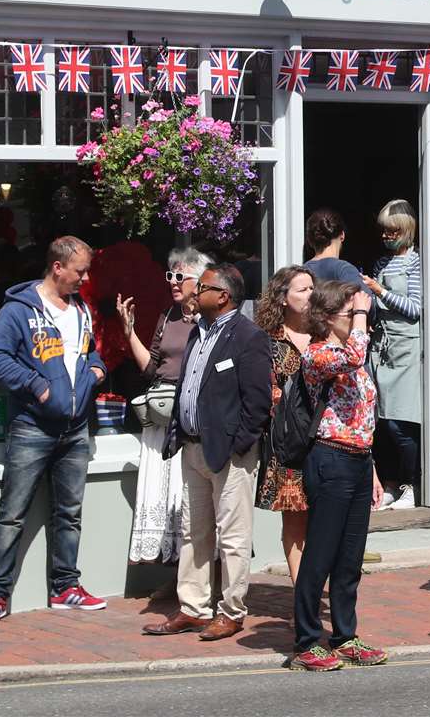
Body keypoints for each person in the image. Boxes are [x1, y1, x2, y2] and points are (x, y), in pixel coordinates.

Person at [0, 236, 108, 626]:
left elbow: (90, 352)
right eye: (79, 271)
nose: (84, 278)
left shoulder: (80, 309)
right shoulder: (18, 311)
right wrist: (37, 385)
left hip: (75, 427)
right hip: (33, 427)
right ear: (58, 267)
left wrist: (96, 371)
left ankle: (65, 587)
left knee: (69, 513)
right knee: (12, 515)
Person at [143, 264, 272, 641]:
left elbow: (258, 403)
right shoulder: (197, 333)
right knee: (192, 532)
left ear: (224, 296)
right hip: (192, 448)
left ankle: (231, 611)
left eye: (202, 286)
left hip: (229, 455)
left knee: (232, 537)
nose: (195, 291)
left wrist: (239, 446)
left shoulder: (248, 337)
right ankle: (193, 608)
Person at [289, 281, 389, 672]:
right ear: (328, 318)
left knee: (349, 559)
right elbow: (350, 356)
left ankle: (345, 636)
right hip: (329, 461)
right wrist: (362, 315)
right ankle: (306, 641)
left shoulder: (356, 357)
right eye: (350, 314)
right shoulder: (318, 355)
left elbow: (363, 417)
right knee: (321, 554)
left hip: (359, 461)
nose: (359, 319)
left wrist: (374, 470)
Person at [117, 248, 212, 569]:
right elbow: (151, 368)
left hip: (191, 419)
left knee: (188, 496)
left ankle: (200, 574)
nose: (172, 282)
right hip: (162, 415)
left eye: (179, 277)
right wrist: (129, 332)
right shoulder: (167, 316)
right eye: (170, 276)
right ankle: (173, 576)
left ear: (199, 282)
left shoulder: (210, 319)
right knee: (165, 495)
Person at [252, 266, 316, 583]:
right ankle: (302, 591)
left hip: (325, 440)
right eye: (302, 289)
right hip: (287, 444)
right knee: (294, 521)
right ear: (283, 298)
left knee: (325, 520)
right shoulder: (267, 342)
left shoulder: (326, 335)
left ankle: (318, 583)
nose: (310, 294)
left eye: (312, 288)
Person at [364, 199, 424, 511]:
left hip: (406, 349)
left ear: (407, 230)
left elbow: (416, 309)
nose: (387, 236)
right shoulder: (381, 263)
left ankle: (411, 485)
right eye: (384, 231)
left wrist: (380, 292)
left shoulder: (416, 263)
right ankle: (387, 485)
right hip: (382, 349)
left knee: (402, 423)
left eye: (393, 231)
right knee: (382, 423)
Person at [304, 208, 365, 288]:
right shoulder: (345, 270)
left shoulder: (301, 273)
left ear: (309, 240)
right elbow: (366, 299)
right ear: (342, 235)